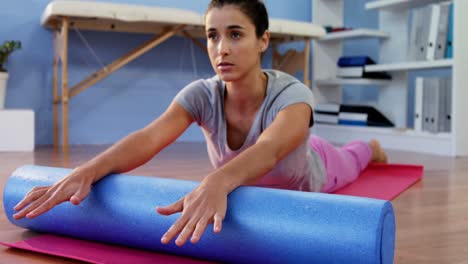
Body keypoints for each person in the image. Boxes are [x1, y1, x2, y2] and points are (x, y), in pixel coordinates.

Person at [13, 0, 388, 247]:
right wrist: (88, 169)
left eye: (235, 34)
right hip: (249, 178)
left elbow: (270, 151)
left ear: (263, 41)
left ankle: (369, 147)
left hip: (313, 171)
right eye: (212, 36)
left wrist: (216, 181)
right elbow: (149, 137)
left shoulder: (293, 95)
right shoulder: (201, 95)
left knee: (351, 160)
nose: (221, 48)